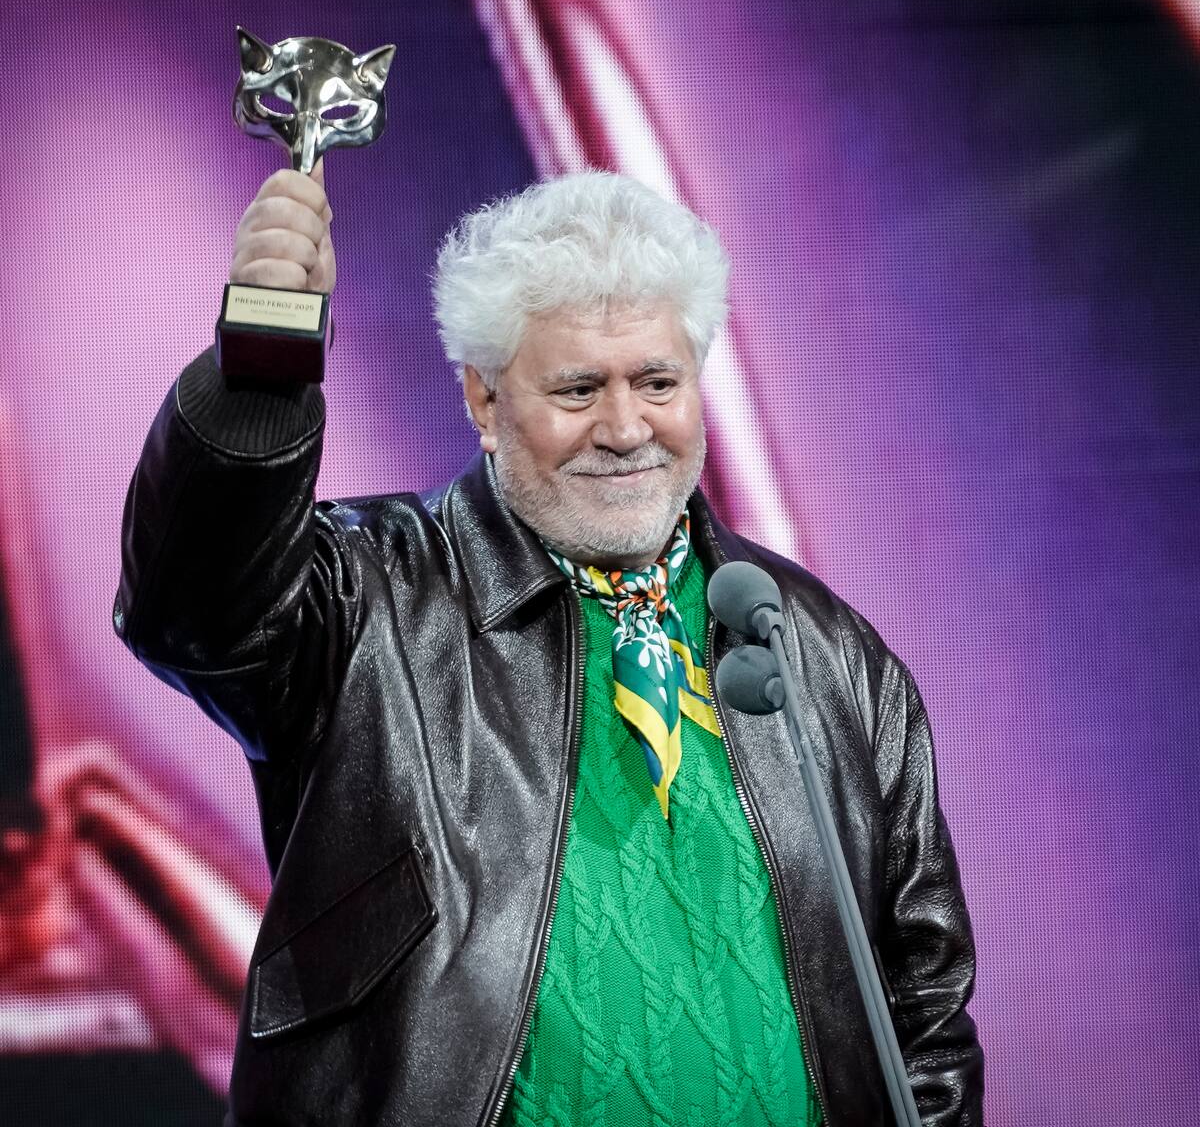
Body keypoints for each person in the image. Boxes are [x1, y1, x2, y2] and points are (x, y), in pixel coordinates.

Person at [114, 164, 984, 1126]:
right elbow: (193, 611)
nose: (625, 427)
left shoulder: (823, 649)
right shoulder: (367, 595)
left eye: (657, 381)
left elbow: (925, 1012)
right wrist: (261, 366)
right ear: (484, 401)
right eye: (578, 389)